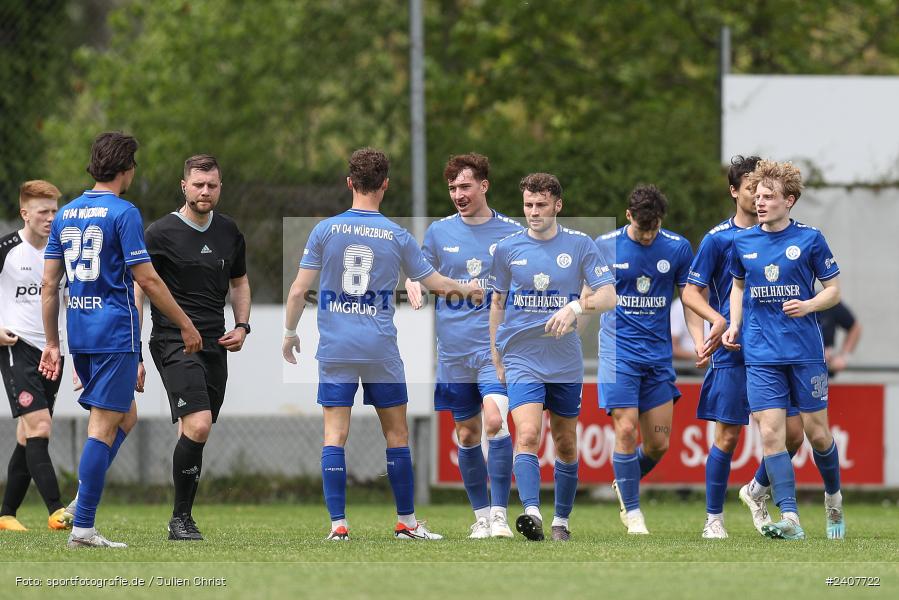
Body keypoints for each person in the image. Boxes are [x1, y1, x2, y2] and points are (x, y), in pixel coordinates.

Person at [282, 148, 482, 541]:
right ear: (385, 184)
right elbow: (438, 285)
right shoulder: (397, 235)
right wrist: (469, 289)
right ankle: (406, 522)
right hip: (379, 349)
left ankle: (339, 525)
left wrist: (289, 333)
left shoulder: (324, 230)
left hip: (337, 348)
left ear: (349, 183)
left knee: (334, 435)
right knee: (397, 435)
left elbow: (298, 291)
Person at [40, 131, 201, 549]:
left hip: (80, 332)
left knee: (125, 418)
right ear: (126, 168)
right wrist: (185, 323)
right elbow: (147, 279)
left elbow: (49, 285)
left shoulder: (66, 213)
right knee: (102, 427)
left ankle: (81, 501)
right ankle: (83, 528)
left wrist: (53, 342)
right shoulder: (124, 212)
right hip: (115, 332)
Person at [682, 156, 805, 538]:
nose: (759, 196)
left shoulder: (787, 235)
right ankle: (713, 519)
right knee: (728, 436)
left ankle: (755, 489)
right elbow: (690, 292)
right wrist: (714, 324)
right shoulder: (719, 238)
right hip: (733, 349)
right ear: (735, 191)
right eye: (752, 189)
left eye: (765, 190)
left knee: (794, 435)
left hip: (777, 348)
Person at [489, 173, 616, 542]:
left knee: (565, 442)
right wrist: (496, 354)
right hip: (521, 354)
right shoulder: (508, 248)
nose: (533, 212)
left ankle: (561, 521)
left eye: (541, 205)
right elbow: (497, 303)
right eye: (528, 205)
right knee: (527, 433)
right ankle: (532, 513)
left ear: (557, 205)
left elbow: (609, 296)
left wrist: (575, 307)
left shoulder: (580, 245)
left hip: (563, 357)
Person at [723, 159, 845, 540]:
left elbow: (833, 290)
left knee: (817, 434)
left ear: (789, 200)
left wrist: (808, 305)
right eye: (757, 196)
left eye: (768, 197)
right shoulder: (742, 241)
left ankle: (834, 501)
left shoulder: (810, 239)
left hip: (804, 351)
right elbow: (738, 287)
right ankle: (790, 518)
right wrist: (734, 323)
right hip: (760, 353)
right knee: (772, 433)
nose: (759, 203)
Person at [404, 153, 522, 539]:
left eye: (465, 186)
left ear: (484, 186)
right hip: (454, 352)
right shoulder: (439, 232)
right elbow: (420, 271)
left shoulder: (512, 232)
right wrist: (413, 282)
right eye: (453, 187)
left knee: (495, 422)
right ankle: (482, 517)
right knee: (468, 434)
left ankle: (500, 515)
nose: (458, 193)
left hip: (495, 350)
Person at [137, 154, 250, 541]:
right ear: (184, 186)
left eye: (212, 185)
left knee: (194, 428)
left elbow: (239, 282)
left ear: (220, 188)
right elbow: (140, 289)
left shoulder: (229, 231)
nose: (205, 191)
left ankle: (180, 517)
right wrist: (135, 349)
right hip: (173, 341)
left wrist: (242, 326)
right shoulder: (159, 233)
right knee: (199, 424)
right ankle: (180, 518)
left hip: (215, 343)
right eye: (198, 184)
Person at [595, 185, 699, 535]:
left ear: (661, 220)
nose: (647, 236)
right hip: (618, 352)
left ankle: (624, 481)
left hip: (657, 357)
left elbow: (688, 299)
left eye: (653, 228)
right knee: (625, 429)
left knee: (658, 443)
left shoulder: (678, 248)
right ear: (629, 217)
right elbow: (589, 293)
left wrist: (699, 339)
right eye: (642, 229)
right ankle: (634, 513)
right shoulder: (605, 246)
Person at [0, 180, 71, 532]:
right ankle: (57, 511)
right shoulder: (7, 250)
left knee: (27, 434)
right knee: (40, 426)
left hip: (53, 352)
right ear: (25, 213)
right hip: (17, 348)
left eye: (55, 211)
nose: (51, 218)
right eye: (43, 212)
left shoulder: (63, 253)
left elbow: (70, 301)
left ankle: (6, 514)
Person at [818, 301, 861, 378]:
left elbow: (854, 328)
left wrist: (844, 357)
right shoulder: (795, 303)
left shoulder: (827, 301)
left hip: (823, 371)